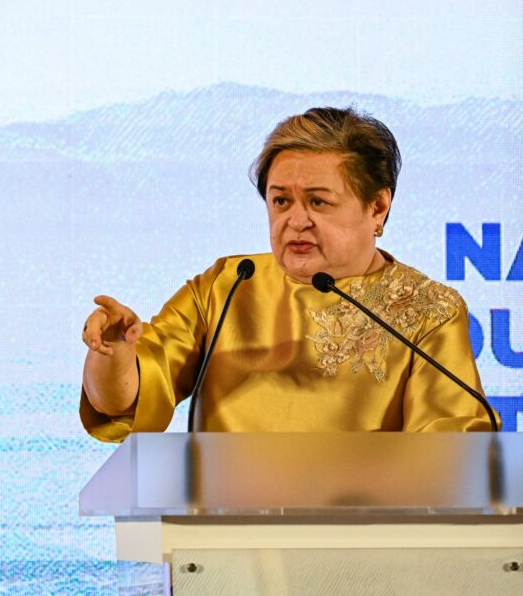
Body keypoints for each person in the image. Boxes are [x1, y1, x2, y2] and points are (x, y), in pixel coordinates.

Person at [80, 107, 497, 440]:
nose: (296, 221)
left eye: (318, 202)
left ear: (377, 207)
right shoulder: (229, 284)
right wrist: (113, 352)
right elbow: (124, 401)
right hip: (225, 522)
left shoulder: (429, 310)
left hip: (368, 524)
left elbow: (450, 459)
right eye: (281, 201)